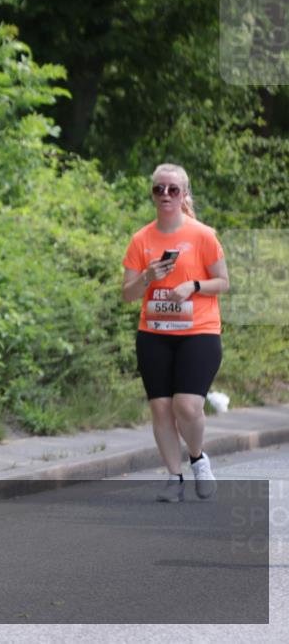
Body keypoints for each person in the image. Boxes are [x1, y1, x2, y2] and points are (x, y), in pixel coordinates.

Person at [121, 163, 230, 502]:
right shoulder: (141, 239)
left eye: (172, 189)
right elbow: (128, 293)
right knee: (161, 408)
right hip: (154, 332)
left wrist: (193, 286)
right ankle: (174, 477)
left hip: (199, 331)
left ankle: (198, 459)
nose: (165, 195)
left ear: (184, 194)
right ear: (152, 194)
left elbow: (223, 282)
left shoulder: (202, 235)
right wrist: (147, 276)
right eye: (159, 189)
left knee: (186, 406)